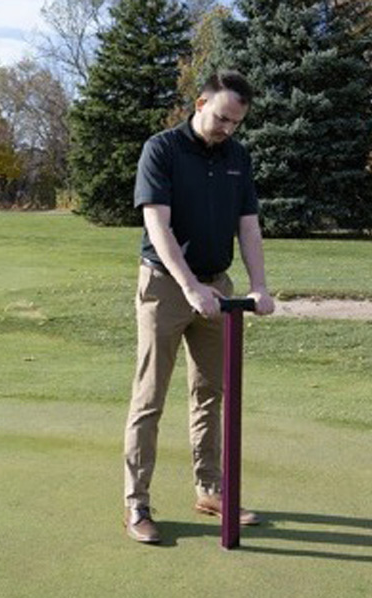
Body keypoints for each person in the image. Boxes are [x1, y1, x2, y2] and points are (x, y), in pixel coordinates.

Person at [124, 70, 275, 544]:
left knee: (211, 393)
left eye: (236, 122)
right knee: (150, 398)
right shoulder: (162, 149)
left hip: (219, 287)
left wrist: (258, 285)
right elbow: (158, 226)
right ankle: (137, 506)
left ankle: (210, 490)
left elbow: (248, 226)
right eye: (223, 118)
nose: (228, 129)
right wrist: (189, 286)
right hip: (167, 286)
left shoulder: (237, 156)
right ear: (200, 102)